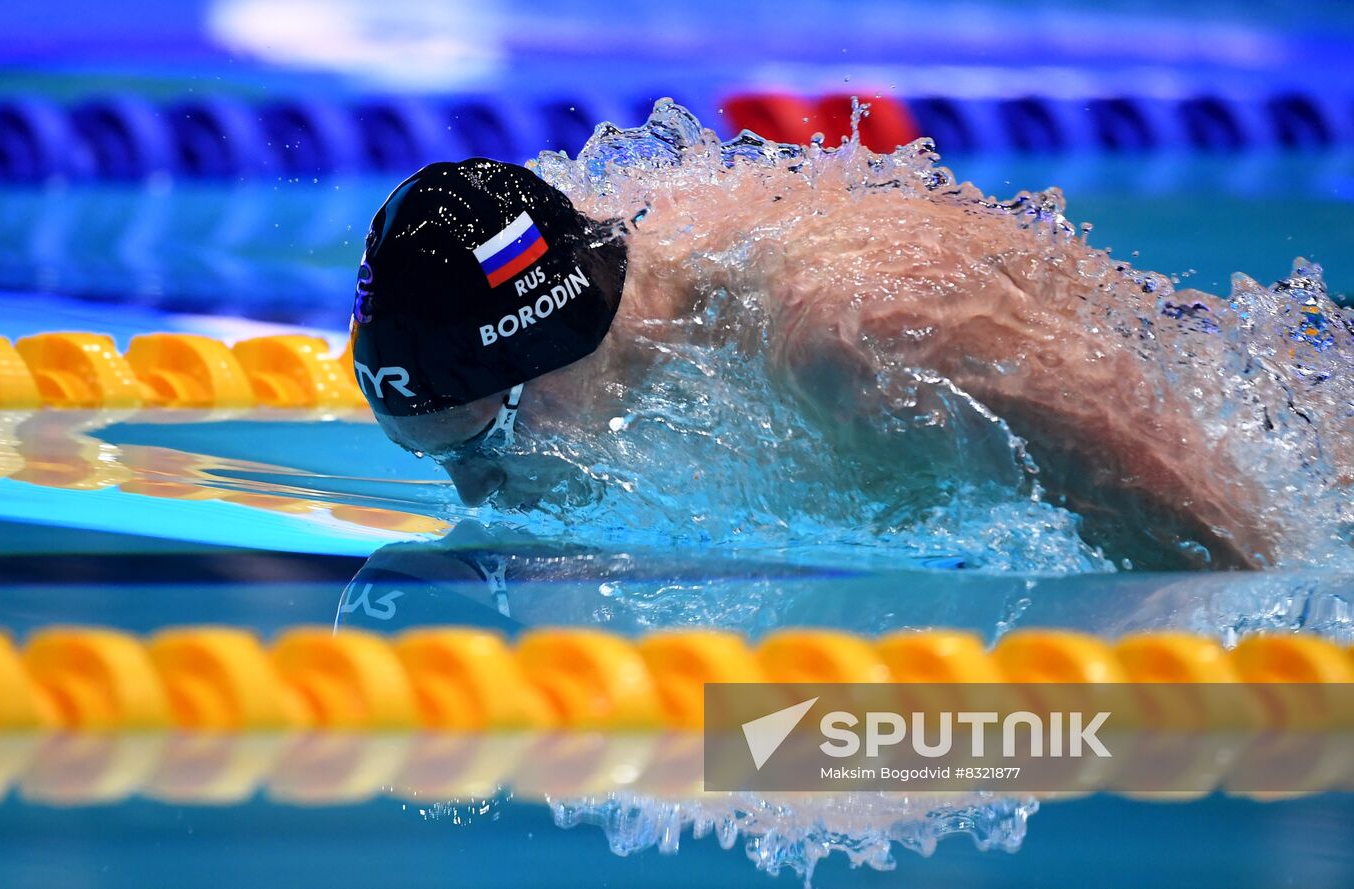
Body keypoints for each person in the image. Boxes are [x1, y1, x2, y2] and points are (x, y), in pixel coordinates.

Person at [349, 156, 1348, 571]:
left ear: (556, 346)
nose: (482, 496)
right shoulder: (614, 276)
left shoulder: (858, 339)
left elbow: (1237, 547)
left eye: (487, 444)